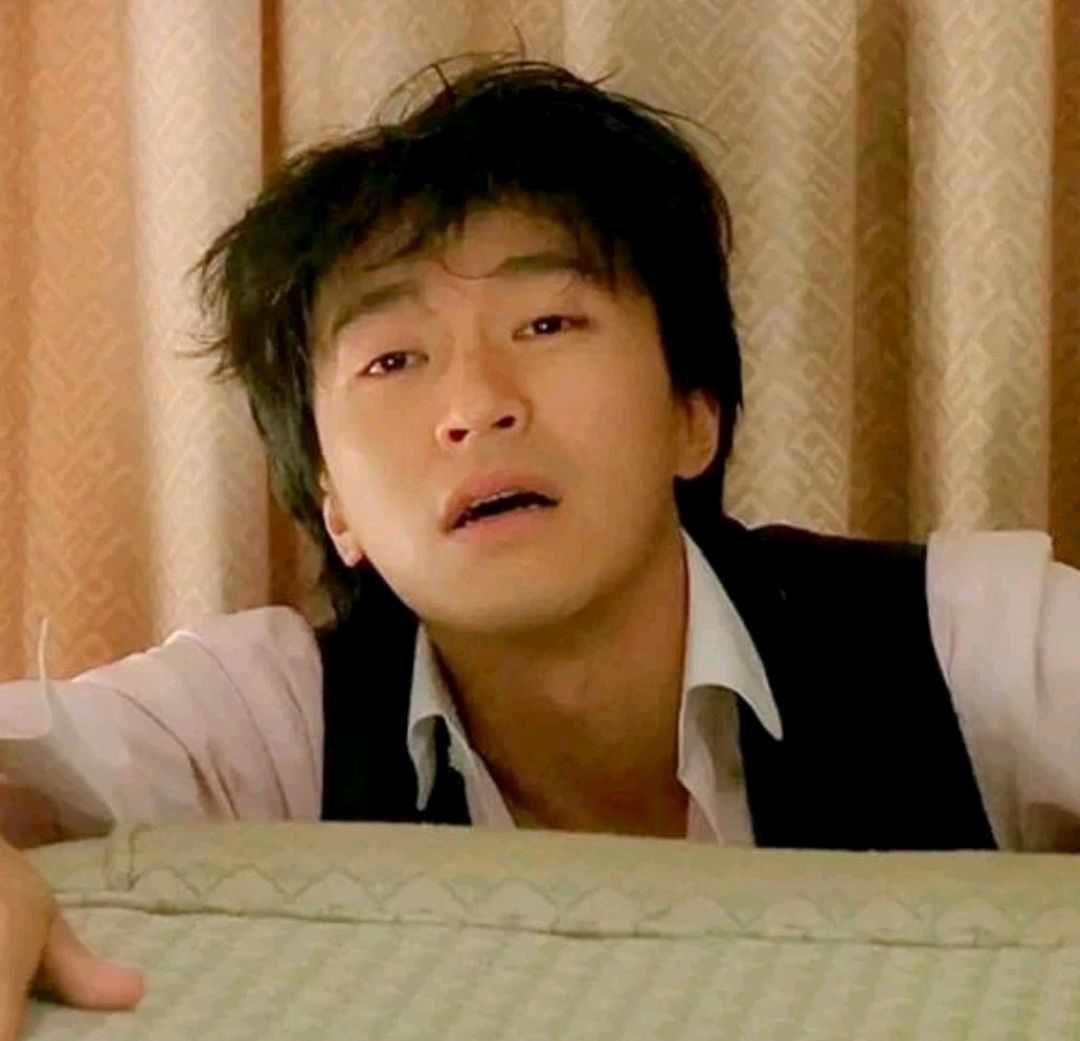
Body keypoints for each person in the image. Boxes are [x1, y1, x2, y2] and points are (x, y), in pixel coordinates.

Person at [0, 56, 1077, 1035]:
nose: (476, 406)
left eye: (548, 325)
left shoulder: (952, 639)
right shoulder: (275, 714)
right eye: (392, 360)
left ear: (692, 414)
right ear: (335, 507)